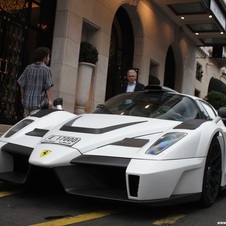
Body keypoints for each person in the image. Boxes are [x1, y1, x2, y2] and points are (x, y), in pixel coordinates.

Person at [17, 47, 54, 117]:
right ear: (44, 57)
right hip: (38, 105)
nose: (49, 58)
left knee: (27, 125)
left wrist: (22, 97)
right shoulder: (46, 70)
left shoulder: (28, 68)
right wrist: (50, 101)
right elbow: (48, 87)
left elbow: (21, 84)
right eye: (48, 56)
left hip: (26, 104)